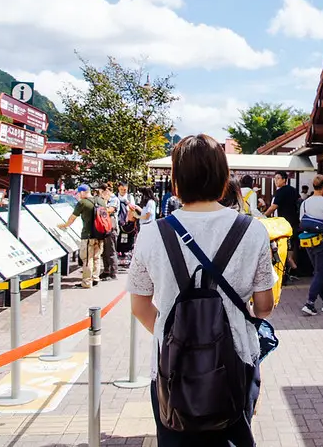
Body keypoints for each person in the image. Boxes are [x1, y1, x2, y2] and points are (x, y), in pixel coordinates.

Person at [127, 134, 276, 447]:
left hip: (170, 365)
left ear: (176, 182)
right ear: (224, 179)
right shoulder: (252, 231)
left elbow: (140, 306)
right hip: (236, 360)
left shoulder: (153, 234)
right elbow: (265, 305)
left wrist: (179, 334)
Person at [299, 174, 323, 316]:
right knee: (320, 272)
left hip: (308, 241)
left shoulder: (305, 203)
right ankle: (310, 303)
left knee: (318, 272)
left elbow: (302, 221)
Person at [59, 184, 105, 288]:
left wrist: (64, 225)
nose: (78, 195)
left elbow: (72, 218)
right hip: (100, 234)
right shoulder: (101, 201)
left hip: (88, 236)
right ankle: (95, 278)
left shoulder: (82, 203)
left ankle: (87, 282)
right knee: (97, 257)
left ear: (83, 192)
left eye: (79, 193)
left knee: (87, 259)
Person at [265, 171, 300, 276]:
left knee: (283, 243)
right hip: (294, 220)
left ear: (284, 179)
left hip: (283, 223)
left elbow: (274, 206)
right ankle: (292, 265)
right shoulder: (293, 190)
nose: (276, 181)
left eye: (278, 178)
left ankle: (288, 264)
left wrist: (264, 215)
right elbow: (299, 201)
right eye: (275, 178)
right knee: (292, 244)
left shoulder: (280, 191)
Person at [100, 181, 120, 281]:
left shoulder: (114, 199)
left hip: (112, 227)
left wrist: (101, 206)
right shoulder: (103, 199)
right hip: (104, 226)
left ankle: (113, 273)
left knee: (111, 250)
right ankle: (106, 270)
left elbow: (110, 210)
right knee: (104, 251)